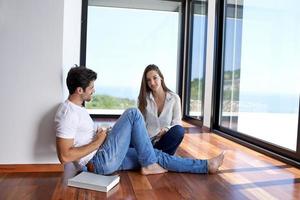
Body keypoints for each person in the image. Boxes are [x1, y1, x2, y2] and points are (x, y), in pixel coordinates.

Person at [55, 65, 225, 176]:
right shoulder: (67, 113)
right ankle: (149, 164)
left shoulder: (79, 108)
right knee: (133, 114)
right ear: (79, 90)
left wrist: (102, 135)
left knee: (156, 155)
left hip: (104, 154)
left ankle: (205, 166)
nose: (94, 90)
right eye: (91, 88)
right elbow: (64, 156)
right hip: (99, 162)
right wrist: (98, 141)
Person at [138, 64, 184, 155]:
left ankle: (151, 156)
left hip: (165, 141)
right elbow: (140, 125)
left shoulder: (174, 98)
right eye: (148, 80)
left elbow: (177, 122)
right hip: (148, 142)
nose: (152, 83)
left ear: (161, 78)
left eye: (155, 78)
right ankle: (159, 158)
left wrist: (167, 129)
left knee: (179, 130)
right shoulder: (143, 99)